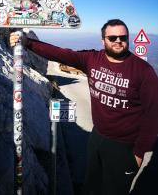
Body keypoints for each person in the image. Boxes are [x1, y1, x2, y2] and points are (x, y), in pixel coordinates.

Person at [9, 19, 158, 195]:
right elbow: (60, 54)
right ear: (103, 40)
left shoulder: (143, 71)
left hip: (125, 145)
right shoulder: (92, 59)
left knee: (115, 190)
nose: (118, 41)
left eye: (123, 37)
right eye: (112, 37)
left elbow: (153, 115)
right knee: (91, 185)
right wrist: (28, 43)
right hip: (97, 137)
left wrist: (139, 153)